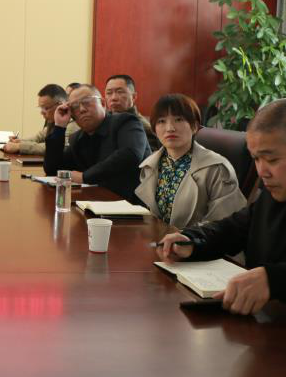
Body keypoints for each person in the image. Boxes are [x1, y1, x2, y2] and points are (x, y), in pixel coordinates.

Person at [157, 99, 286, 315]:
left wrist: (274, 280)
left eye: (272, 160)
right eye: (256, 159)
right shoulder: (272, 196)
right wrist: (191, 240)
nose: (262, 172)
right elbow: (234, 228)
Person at [136, 94, 246, 229]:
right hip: (157, 238)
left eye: (179, 119)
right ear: (154, 130)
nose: (170, 128)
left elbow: (224, 224)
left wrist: (187, 238)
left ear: (194, 126)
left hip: (197, 241)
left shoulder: (217, 168)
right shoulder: (150, 165)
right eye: (161, 121)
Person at [44, 83, 151, 202]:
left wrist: (84, 177)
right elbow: (53, 170)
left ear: (103, 103)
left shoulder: (125, 122)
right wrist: (59, 127)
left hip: (132, 205)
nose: (82, 109)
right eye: (75, 106)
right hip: (95, 203)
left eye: (86, 102)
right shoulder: (77, 138)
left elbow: (131, 154)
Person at [3, 84, 79, 155]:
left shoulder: (72, 124)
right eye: (41, 108)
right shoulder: (54, 121)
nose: (42, 112)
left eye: (46, 108)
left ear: (60, 105)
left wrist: (19, 146)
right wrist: (19, 141)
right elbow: (38, 138)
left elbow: (55, 147)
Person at [104, 74, 160, 150]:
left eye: (120, 92)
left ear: (134, 97)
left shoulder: (143, 126)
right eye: (109, 93)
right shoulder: (101, 121)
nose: (113, 98)